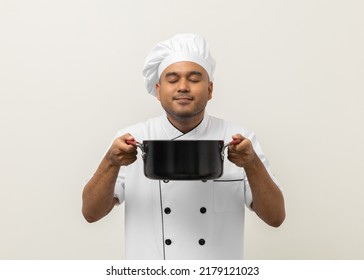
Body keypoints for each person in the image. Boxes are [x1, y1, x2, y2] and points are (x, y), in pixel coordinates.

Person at [82, 33, 285, 260]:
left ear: (209, 90)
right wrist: (111, 162)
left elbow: (275, 218)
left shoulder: (239, 141)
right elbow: (91, 213)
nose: (183, 87)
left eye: (194, 79)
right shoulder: (131, 140)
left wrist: (252, 163)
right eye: (173, 79)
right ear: (158, 90)